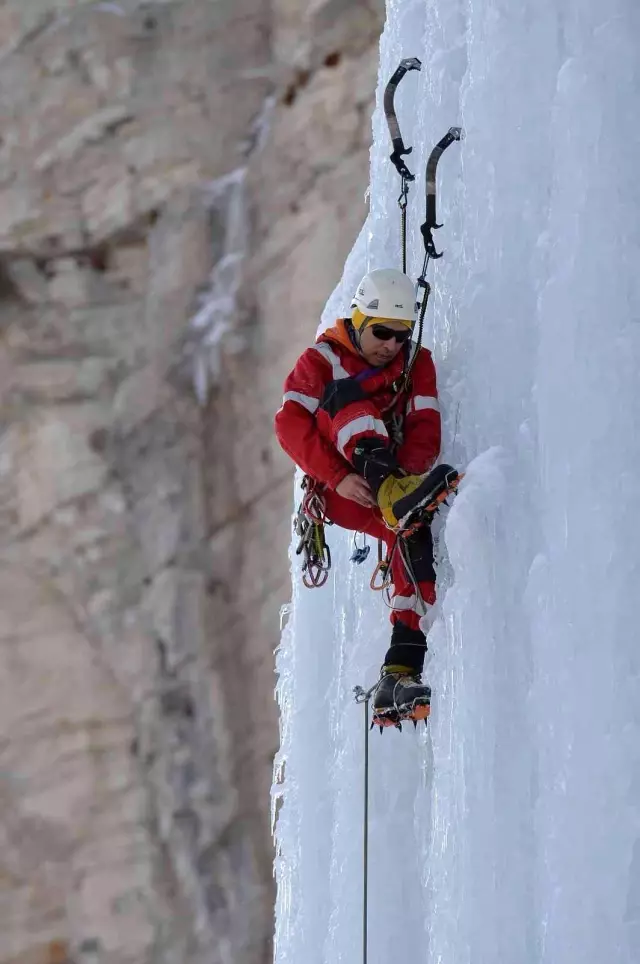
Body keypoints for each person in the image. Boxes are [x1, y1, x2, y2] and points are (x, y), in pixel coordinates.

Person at [274, 268, 456, 727]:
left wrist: (407, 477)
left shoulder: (417, 363)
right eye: (382, 332)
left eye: (401, 335)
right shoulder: (323, 360)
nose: (391, 345)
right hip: (343, 486)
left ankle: (401, 671)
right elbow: (290, 424)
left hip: (390, 488)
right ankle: (397, 496)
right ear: (357, 319)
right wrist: (337, 477)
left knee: (414, 541)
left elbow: (424, 428)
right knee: (343, 394)